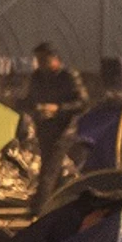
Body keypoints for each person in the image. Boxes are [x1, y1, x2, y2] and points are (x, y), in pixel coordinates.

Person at [21, 43, 88, 217]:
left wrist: (57, 109)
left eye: (43, 59)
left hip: (64, 130)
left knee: (49, 169)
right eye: (38, 59)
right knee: (53, 170)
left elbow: (82, 102)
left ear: (54, 58)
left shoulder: (69, 76)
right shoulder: (37, 77)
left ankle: (38, 208)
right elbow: (29, 99)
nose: (40, 63)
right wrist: (36, 108)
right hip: (44, 128)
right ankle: (62, 205)